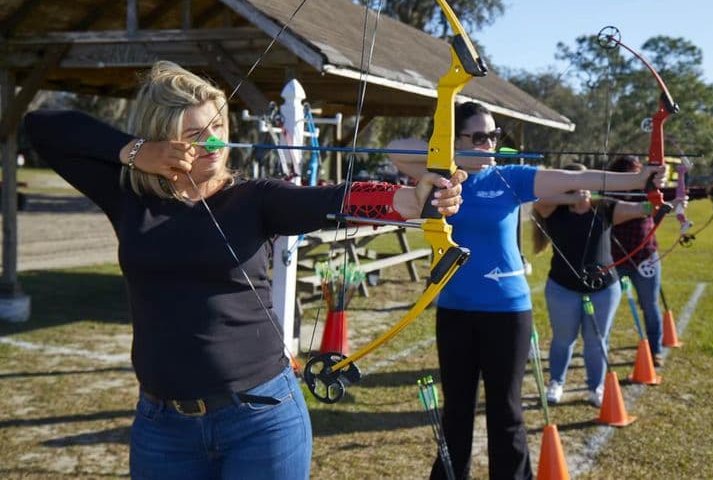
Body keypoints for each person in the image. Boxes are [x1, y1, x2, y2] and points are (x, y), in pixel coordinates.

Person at [24, 61, 467, 480]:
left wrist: (411, 201)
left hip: (261, 418)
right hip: (164, 426)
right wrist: (135, 152)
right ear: (165, 140)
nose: (215, 142)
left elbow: (331, 201)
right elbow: (43, 127)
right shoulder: (129, 198)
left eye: (218, 126)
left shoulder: (254, 199)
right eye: (196, 133)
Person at [388, 102, 666, 480]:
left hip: (506, 314)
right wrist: (448, 155)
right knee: (457, 410)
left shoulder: (510, 177)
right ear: (456, 139)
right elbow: (395, 149)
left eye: (494, 136)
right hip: (454, 311)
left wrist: (638, 181)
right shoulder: (439, 177)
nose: (489, 144)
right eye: (479, 136)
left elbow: (579, 180)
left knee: (506, 410)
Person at [532, 163, 662, 408]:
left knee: (596, 340)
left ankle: (596, 387)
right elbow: (538, 197)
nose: (582, 190)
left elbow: (646, 208)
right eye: (572, 184)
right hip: (562, 286)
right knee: (563, 338)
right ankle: (556, 382)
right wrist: (571, 195)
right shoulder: (552, 210)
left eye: (585, 183)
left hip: (604, 287)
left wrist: (661, 195)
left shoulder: (605, 208)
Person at [608, 155, 665, 367]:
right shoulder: (609, 193)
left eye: (638, 172)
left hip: (645, 257)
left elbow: (667, 193)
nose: (636, 176)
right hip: (616, 258)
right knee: (607, 306)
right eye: (631, 173)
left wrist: (702, 191)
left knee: (650, 306)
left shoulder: (648, 190)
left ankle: (655, 350)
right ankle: (600, 348)